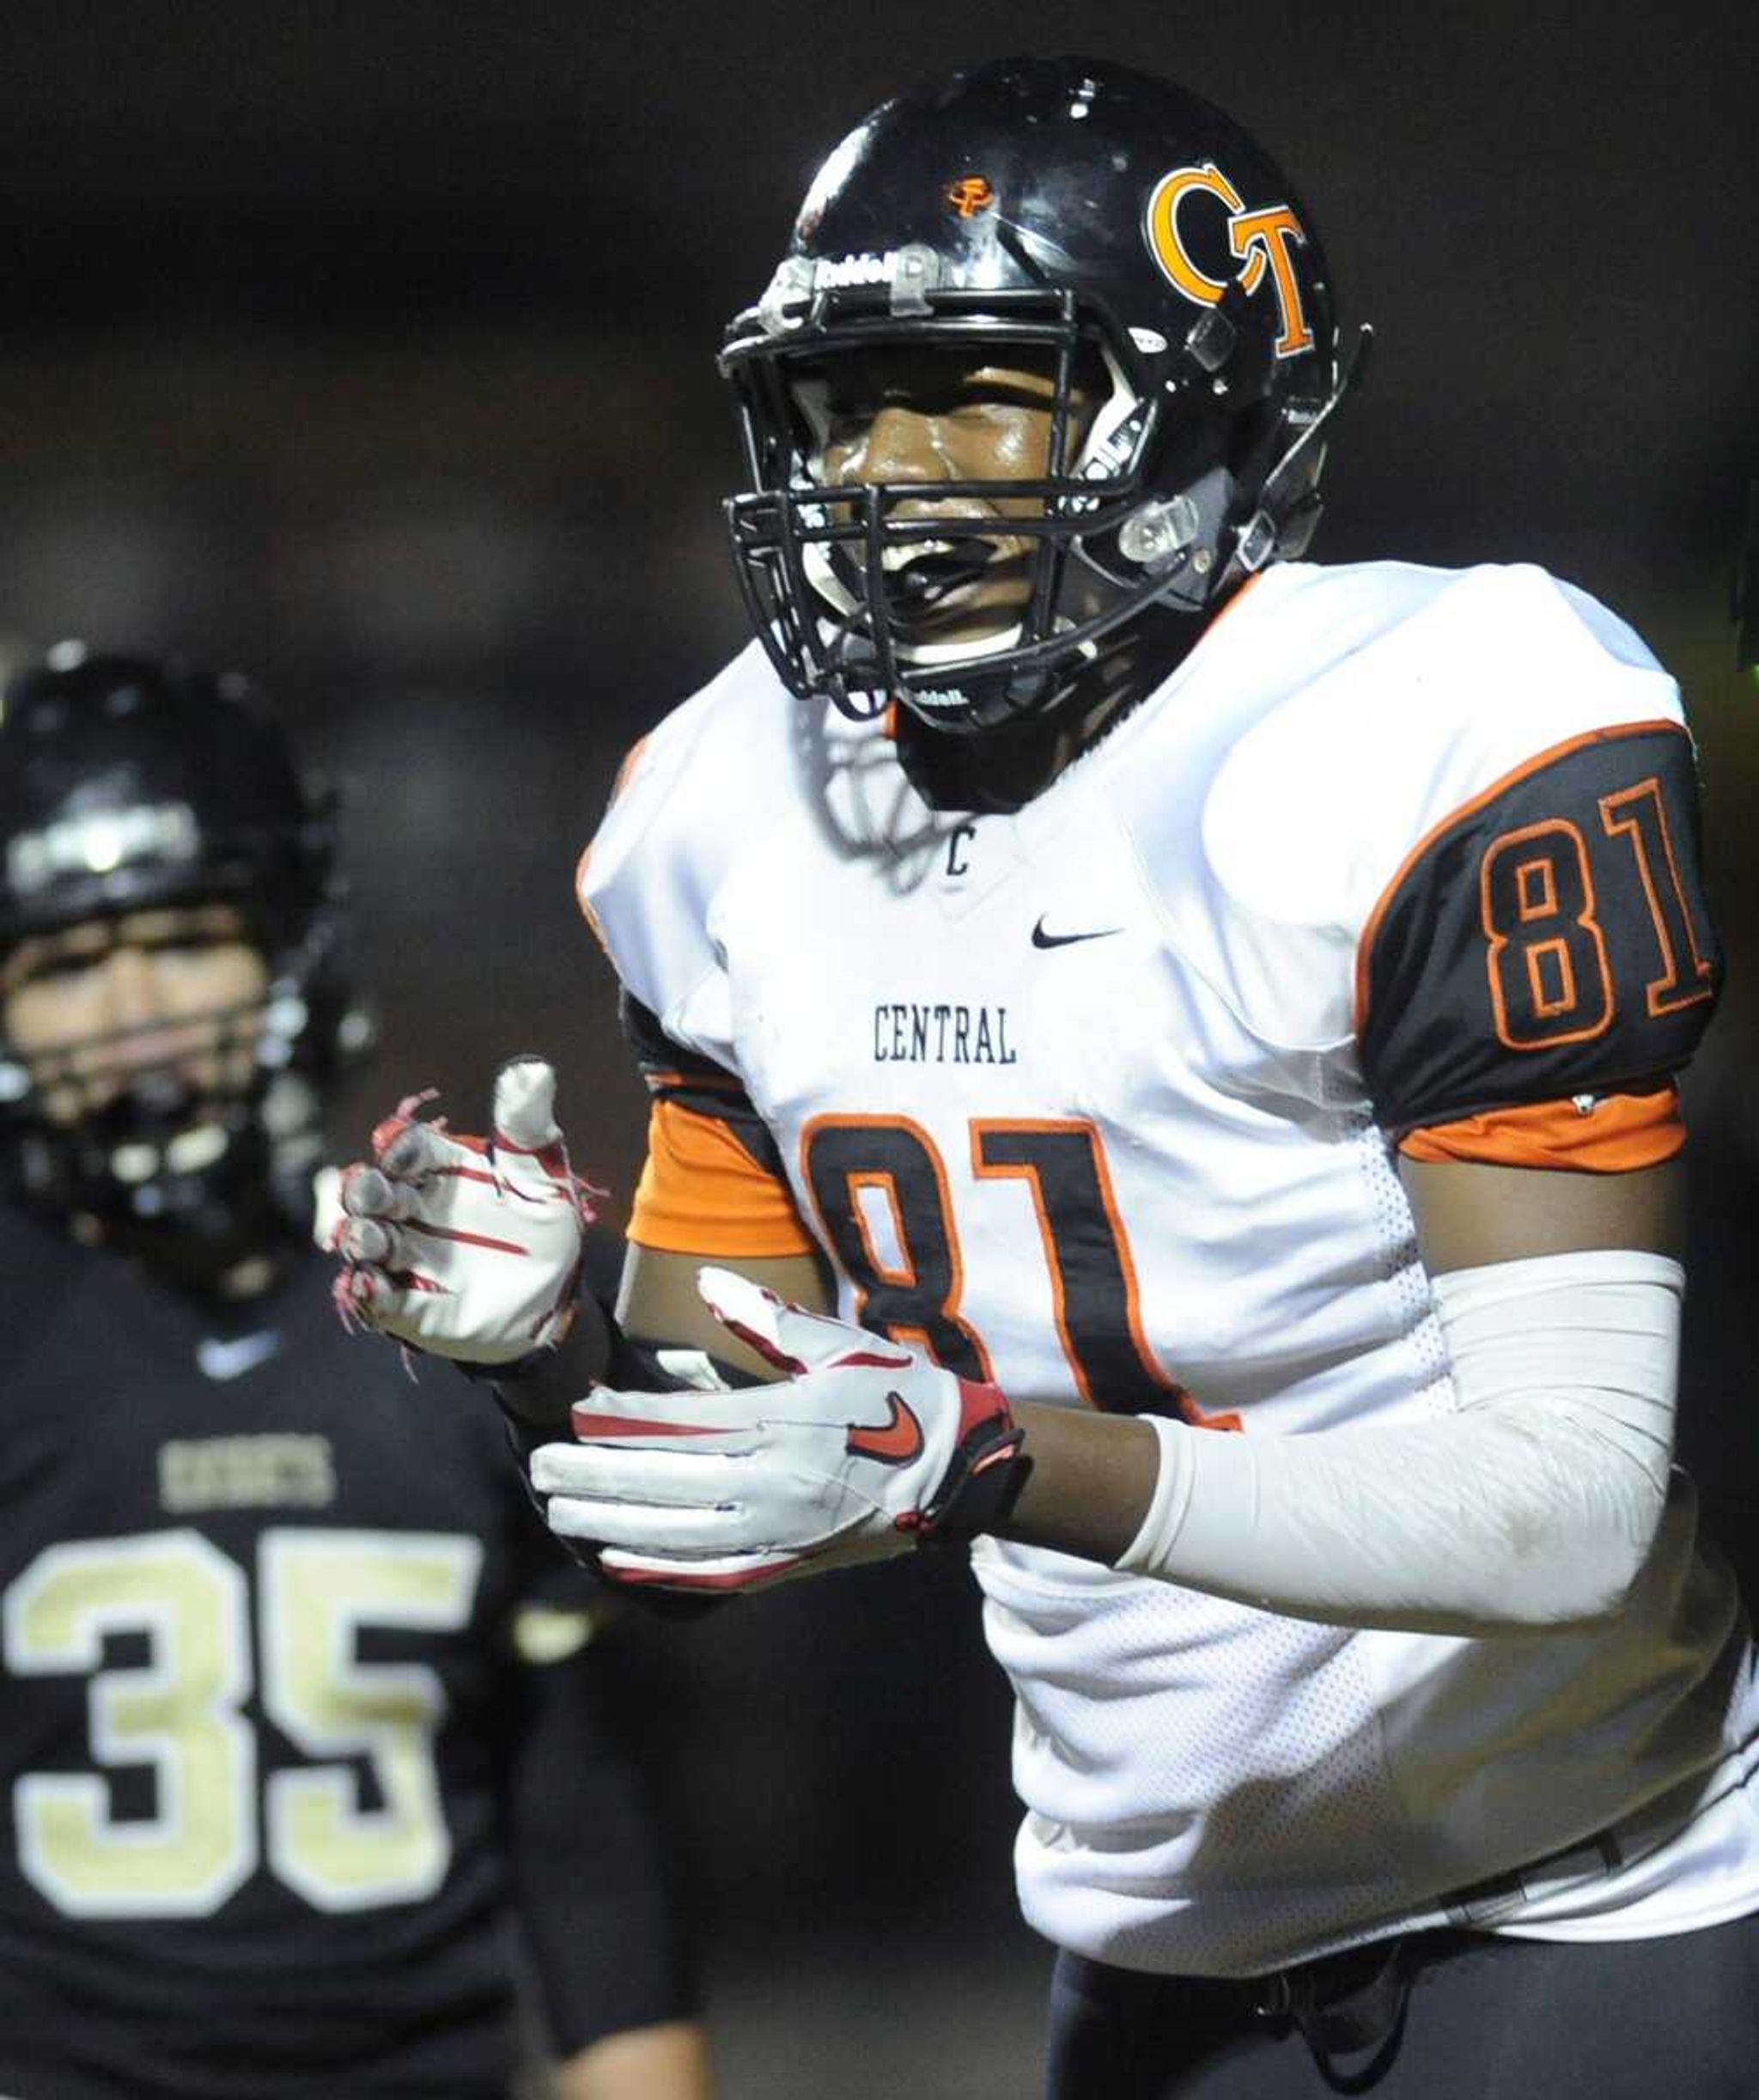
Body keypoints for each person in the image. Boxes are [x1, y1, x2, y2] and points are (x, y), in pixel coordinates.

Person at [327, 56, 1759, 2099]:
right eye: (843, 405)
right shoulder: (720, 807)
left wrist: (988, 1456)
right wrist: (541, 1342)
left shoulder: (1436, 716)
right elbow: (723, 1502)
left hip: (1586, 1914)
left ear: (1194, 406)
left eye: (971, 391)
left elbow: (1568, 1512)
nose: (884, 473)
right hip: (1146, 1954)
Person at [0, 644, 713, 2100]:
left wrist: (559, 1367)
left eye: (188, 935)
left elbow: (586, 1839)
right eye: (70, 962)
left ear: (289, 948)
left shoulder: (458, 1301)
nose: (135, 1002)